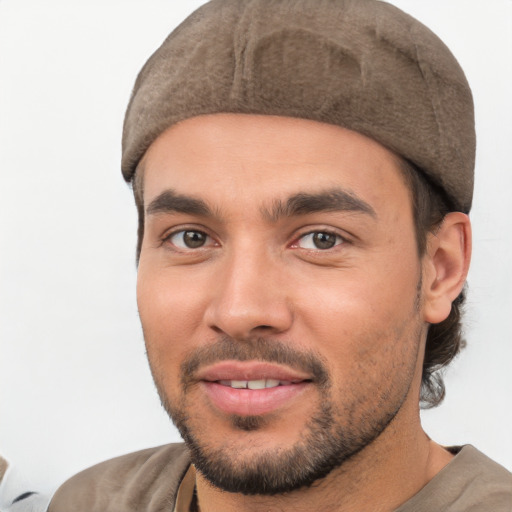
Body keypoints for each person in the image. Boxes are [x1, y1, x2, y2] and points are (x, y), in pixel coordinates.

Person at [48, 0, 512, 510]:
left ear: (441, 269)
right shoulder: (91, 501)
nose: (240, 311)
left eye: (321, 240)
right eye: (191, 238)